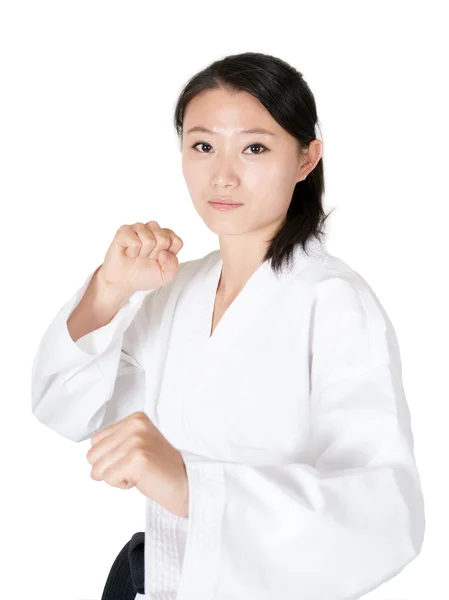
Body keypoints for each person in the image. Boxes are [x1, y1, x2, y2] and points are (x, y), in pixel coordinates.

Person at [31, 51, 425, 600]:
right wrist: (110, 290)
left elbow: (384, 518)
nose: (222, 174)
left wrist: (192, 486)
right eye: (202, 145)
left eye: (255, 147)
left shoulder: (332, 302)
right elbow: (64, 406)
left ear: (307, 158)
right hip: (149, 582)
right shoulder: (172, 290)